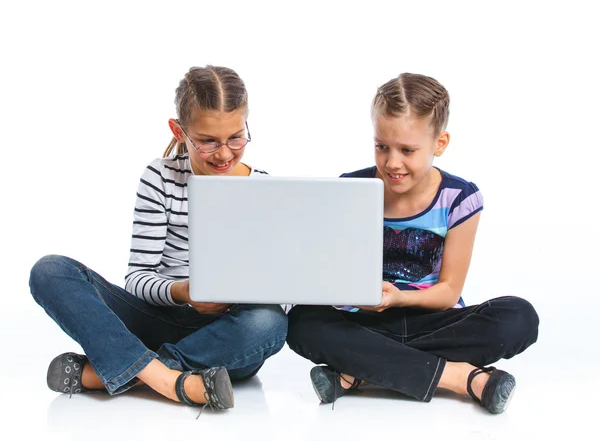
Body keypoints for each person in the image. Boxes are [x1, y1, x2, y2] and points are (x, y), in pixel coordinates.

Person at [29, 65, 288, 413]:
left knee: (270, 323)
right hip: (159, 319)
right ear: (179, 132)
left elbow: (285, 292)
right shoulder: (159, 178)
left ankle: (121, 370)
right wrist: (184, 291)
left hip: (224, 336)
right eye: (208, 141)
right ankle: (173, 382)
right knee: (49, 271)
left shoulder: (265, 189)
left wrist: (263, 293)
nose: (224, 153)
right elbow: (137, 279)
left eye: (235, 138)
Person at [286, 73, 539, 414]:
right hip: (364, 319)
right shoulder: (351, 188)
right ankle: (460, 377)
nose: (392, 162)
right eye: (382, 147)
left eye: (407, 150)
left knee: (519, 316)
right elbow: (333, 273)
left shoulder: (459, 198)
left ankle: (359, 371)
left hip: (432, 318)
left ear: (440, 143)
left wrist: (399, 297)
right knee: (300, 321)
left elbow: (449, 291)